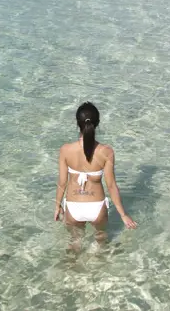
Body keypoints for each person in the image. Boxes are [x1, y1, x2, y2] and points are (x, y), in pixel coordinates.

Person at [54, 102, 137, 245]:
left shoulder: (65, 150)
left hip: (74, 205)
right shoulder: (106, 151)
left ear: (77, 123)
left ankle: (71, 267)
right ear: (97, 123)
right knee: (101, 245)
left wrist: (57, 205)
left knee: (74, 246)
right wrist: (123, 215)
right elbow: (111, 185)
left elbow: (62, 182)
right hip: (96, 207)